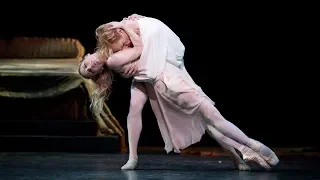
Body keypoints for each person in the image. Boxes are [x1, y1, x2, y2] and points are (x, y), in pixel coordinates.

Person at [78, 14, 279, 171]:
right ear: (97, 73)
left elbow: (141, 44)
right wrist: (131, 43)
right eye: (90, 71)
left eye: (86, 65)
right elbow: (138, 55)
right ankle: (132, 157)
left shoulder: (103, 34)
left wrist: (128, 24)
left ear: (87, 56)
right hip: (154, 76)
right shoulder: (113, 62)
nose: (90, 67)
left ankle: (239, 153)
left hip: (161, 65)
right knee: (136, 110)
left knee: (206, 117)